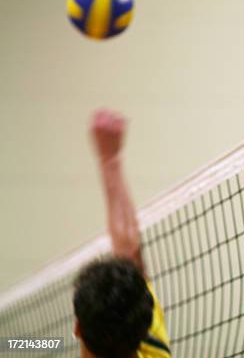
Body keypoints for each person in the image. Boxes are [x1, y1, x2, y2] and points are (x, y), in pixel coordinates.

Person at [72, 109, 171, 358]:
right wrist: (110, 161)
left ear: (77, 328)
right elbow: (128, 248)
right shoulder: (153, 350)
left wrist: (109, 160)